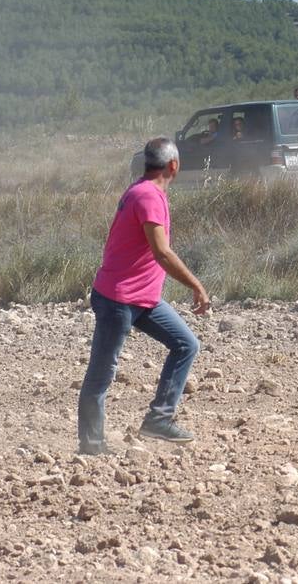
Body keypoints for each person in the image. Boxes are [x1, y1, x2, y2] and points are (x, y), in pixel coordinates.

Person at [78, 137, 211, 455]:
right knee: (101, 372)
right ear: (174, 166)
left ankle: (158, 419)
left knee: (186, 345)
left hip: (143, 298)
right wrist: (196, 285)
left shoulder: (144, 191)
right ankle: (91, 446)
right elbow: (162, 253)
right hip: (118, 299)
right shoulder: (147, 195)